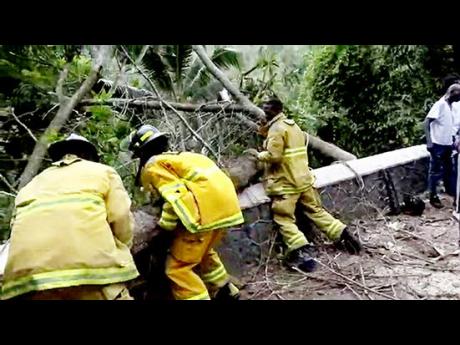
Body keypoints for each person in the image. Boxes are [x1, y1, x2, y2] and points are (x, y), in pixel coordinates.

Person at [0, 134, 139, 300]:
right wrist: (122, 252)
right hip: (92, 274)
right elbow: (120, 218)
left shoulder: (32, 185)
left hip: (28, 283)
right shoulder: (103, 172)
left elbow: (16, 229)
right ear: (89, 157)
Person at [247, 98, 362, 273]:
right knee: (316, 210)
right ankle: (343, 234)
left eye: (266, 108)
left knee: (284, 218)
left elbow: (275, 155)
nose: (264, 111)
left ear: (275, 110)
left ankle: (301, 253)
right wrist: (264, 128)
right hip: (304, 180)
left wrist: (258, 155)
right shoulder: (292, 126)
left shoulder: (277, 130)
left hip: (287, 184)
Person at [129, 125, 244, 300]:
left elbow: (174, 196)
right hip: (226, 212)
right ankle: (226, 291)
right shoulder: (186, 157)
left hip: (203, 216)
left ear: (143, 152)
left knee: (178, 269)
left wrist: (165, 225)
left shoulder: (155, 165)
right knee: (204, 254)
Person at [424, 83, 460, 210]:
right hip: (437, 144)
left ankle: (454, 196)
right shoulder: (440, 104)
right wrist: (429, 142)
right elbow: (426, 122)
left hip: (447, 144)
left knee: (450, 171)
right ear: (453, 93)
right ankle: (433, 196)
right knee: (434, 171)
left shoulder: (450, 106)